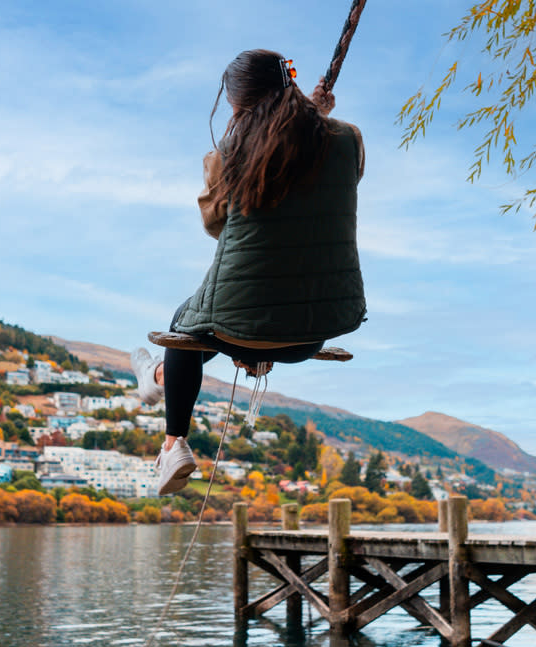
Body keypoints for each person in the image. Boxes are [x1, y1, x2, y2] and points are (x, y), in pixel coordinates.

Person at [131, 48, 366, 495]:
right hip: (312, 331)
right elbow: (325, 182)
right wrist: (314, 115)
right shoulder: (349, 139)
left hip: (239, 324)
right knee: (224, 321)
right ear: (290, 85)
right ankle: (158, 377)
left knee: (187, 326)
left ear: (237, 104)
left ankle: (174, 439)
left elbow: (216, 226)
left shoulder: (229, 155)